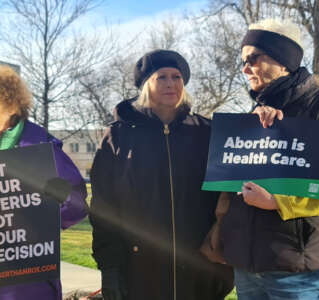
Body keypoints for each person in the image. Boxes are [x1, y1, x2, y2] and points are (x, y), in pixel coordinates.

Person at [218, 19, 319, 300]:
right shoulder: (253, 111)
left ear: (283, 60)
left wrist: (279, 203)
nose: (245, 69)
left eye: (253, 59)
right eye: (243, 61)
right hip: (247, 266)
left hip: (298, 270)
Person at [89, 49, 233, 300]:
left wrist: (222, 262)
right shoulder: (119, 136)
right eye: (162, 77)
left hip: (199, 269)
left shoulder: (207, 133)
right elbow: (104, 207)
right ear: (146, 85)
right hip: (140, 269)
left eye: (177, 77)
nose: (171, 84)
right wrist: (110, 268)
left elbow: (226, 199)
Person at [0, 65, 88, 299]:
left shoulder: (38, 145)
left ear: (11, 103)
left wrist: (60, 198)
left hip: (27, 282)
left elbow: (76, 205)